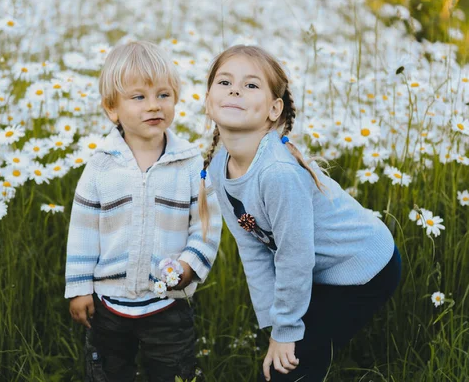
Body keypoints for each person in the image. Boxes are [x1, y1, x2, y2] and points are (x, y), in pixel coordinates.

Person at [199, 45, 402, 381]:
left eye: (251, 85)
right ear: (208, 99)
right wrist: (274, 325)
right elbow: (252, 249)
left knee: (289, 366)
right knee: (289, 352)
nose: (235, 89)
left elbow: (295, 259)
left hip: (364, 267)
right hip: (320, 267)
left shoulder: (277, 173)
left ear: (274, 109)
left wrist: (287, 331)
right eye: (224, 82)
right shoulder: (220, 167)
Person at [65, 41, 222, 382]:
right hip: (109, 305)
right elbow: (83, 230)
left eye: (163, 95)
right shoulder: (101, 166)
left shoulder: (189, 163)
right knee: (109, 371)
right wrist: (79, 288)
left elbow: (206, 226)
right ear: (112, 109)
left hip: (168, 305)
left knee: (170, 372)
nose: (154, 106)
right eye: (139, 97)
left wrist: (189, 265)